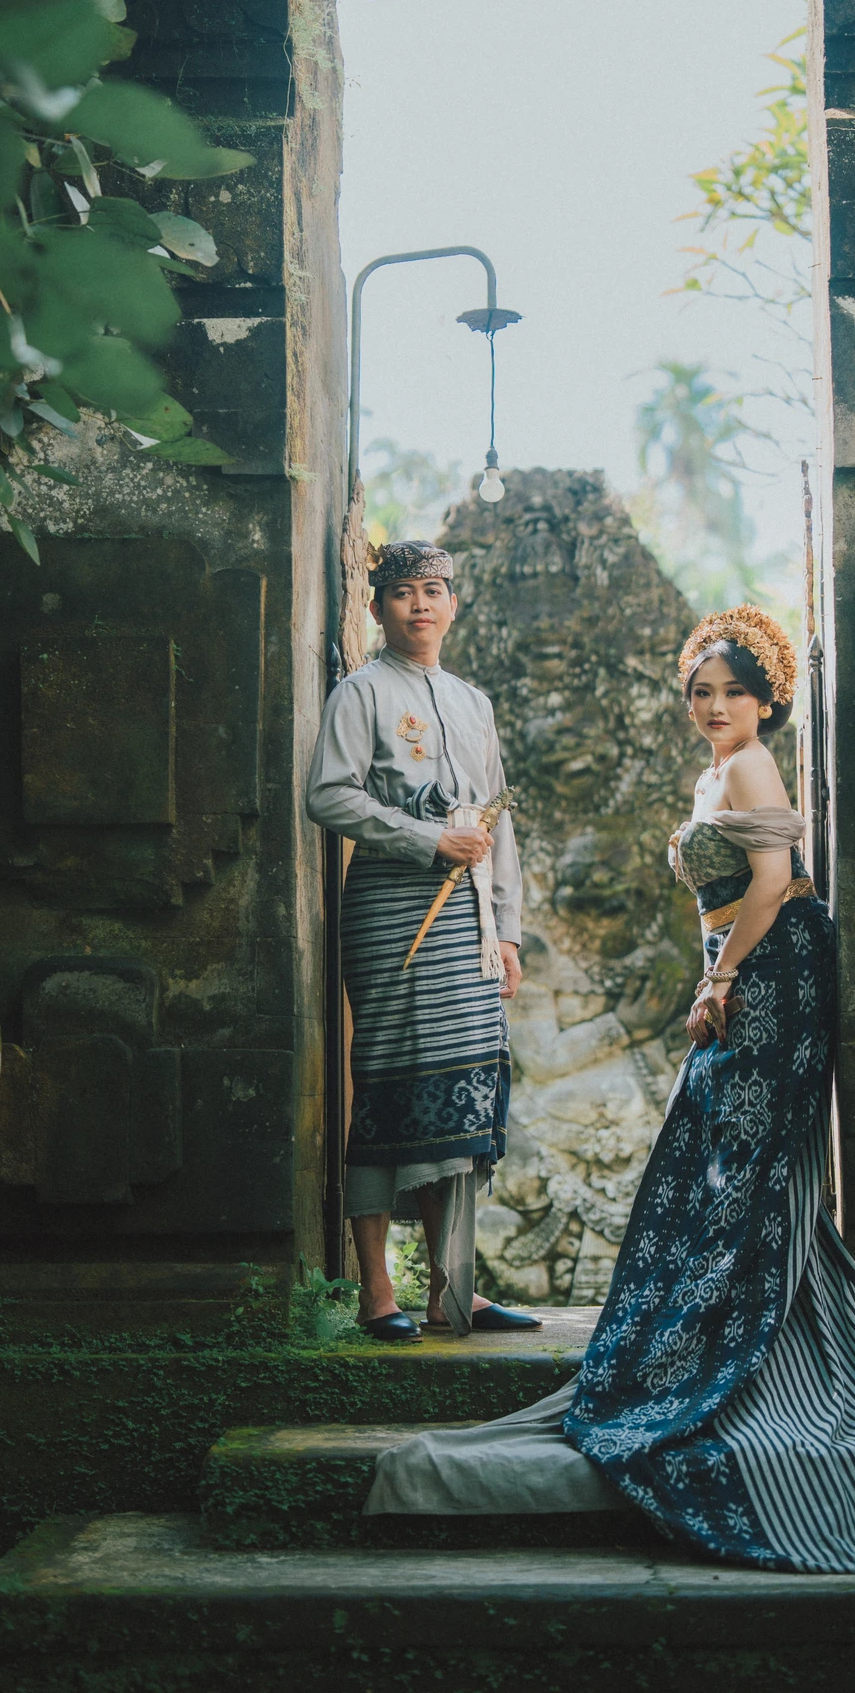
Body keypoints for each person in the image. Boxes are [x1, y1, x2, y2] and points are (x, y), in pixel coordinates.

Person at [364, 604, 855, 1573]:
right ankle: (738, 1332)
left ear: (765, 700)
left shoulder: (750, 767)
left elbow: (774, 881)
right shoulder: (714, 771)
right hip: (741, 967)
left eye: (733, 692)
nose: (713, 707)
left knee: (741, 1154)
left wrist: (720, 978)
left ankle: (747, 1349)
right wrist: (718, 971)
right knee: (712, 1154)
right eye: (700, 692)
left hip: (773, 970)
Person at [306, 539, 543, 1343]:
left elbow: (495, 826)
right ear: (377, 607)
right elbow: (327, 795)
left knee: (464, 1090)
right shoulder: (360, 692)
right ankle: (377, 1292)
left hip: (468, 923)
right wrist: (424, 838)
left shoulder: (473, 702)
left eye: (433, 591)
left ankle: (452, 1289)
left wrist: (507, 934)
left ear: (453, 604)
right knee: (389, 1086)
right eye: (403, 592)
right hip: (390, 912)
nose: (420, 604)